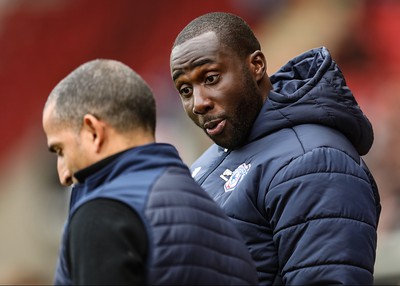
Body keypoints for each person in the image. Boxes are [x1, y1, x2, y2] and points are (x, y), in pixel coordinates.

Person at [170, 11, 381, 285]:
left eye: (210, 78)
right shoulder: (209, 161)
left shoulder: (313, 161)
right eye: (185, 90)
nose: (198, 103)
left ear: (256, 65)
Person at [42, 59, 258, 285]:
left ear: (93, 132)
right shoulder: (209, 205)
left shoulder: (102, 213)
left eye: (60, 150)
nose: (63, 174)